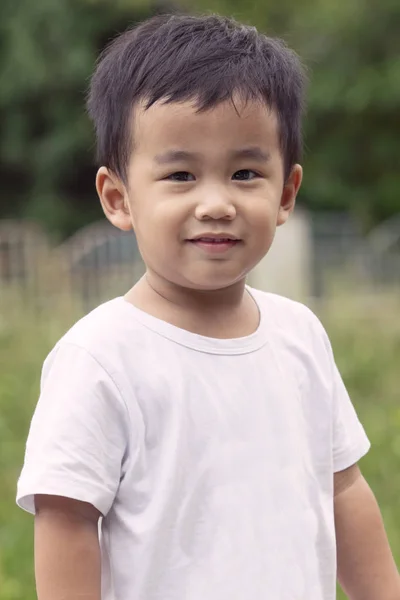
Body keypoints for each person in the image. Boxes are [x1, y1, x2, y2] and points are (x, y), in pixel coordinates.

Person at [16, 13, 399, 600]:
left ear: (285, 193)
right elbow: (66, 521)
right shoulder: (100, 357)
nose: (216, 203)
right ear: (119, 198)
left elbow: (341, 490)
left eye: (245, 172)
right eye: (180, 175)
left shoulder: (299, 334)